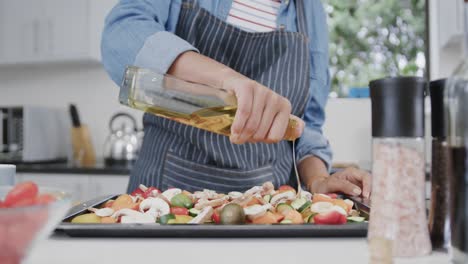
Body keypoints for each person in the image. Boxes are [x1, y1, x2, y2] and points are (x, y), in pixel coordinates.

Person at [101, 0, 371, 198]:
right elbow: (123, 33)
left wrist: (320, 180)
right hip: (162, 198)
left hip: (267, 209)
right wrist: (225, 80)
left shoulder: (309, 9)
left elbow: (305, 126)